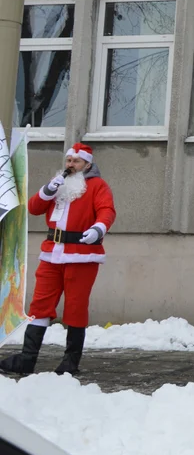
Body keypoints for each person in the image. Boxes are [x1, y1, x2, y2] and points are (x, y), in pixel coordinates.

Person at [1, 143, 116, 376]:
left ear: (87, 164)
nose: (70, 165)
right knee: (39, 305)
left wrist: (98, 228)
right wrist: (47, 190)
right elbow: (33, 208)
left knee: (75, 307)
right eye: (68, 160)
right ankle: (27, 359)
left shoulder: (97, 186)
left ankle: (70, 362)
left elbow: (107, 210)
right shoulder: (58, 186)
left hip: (82, 256)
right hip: (51, 254)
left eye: (76, 161)